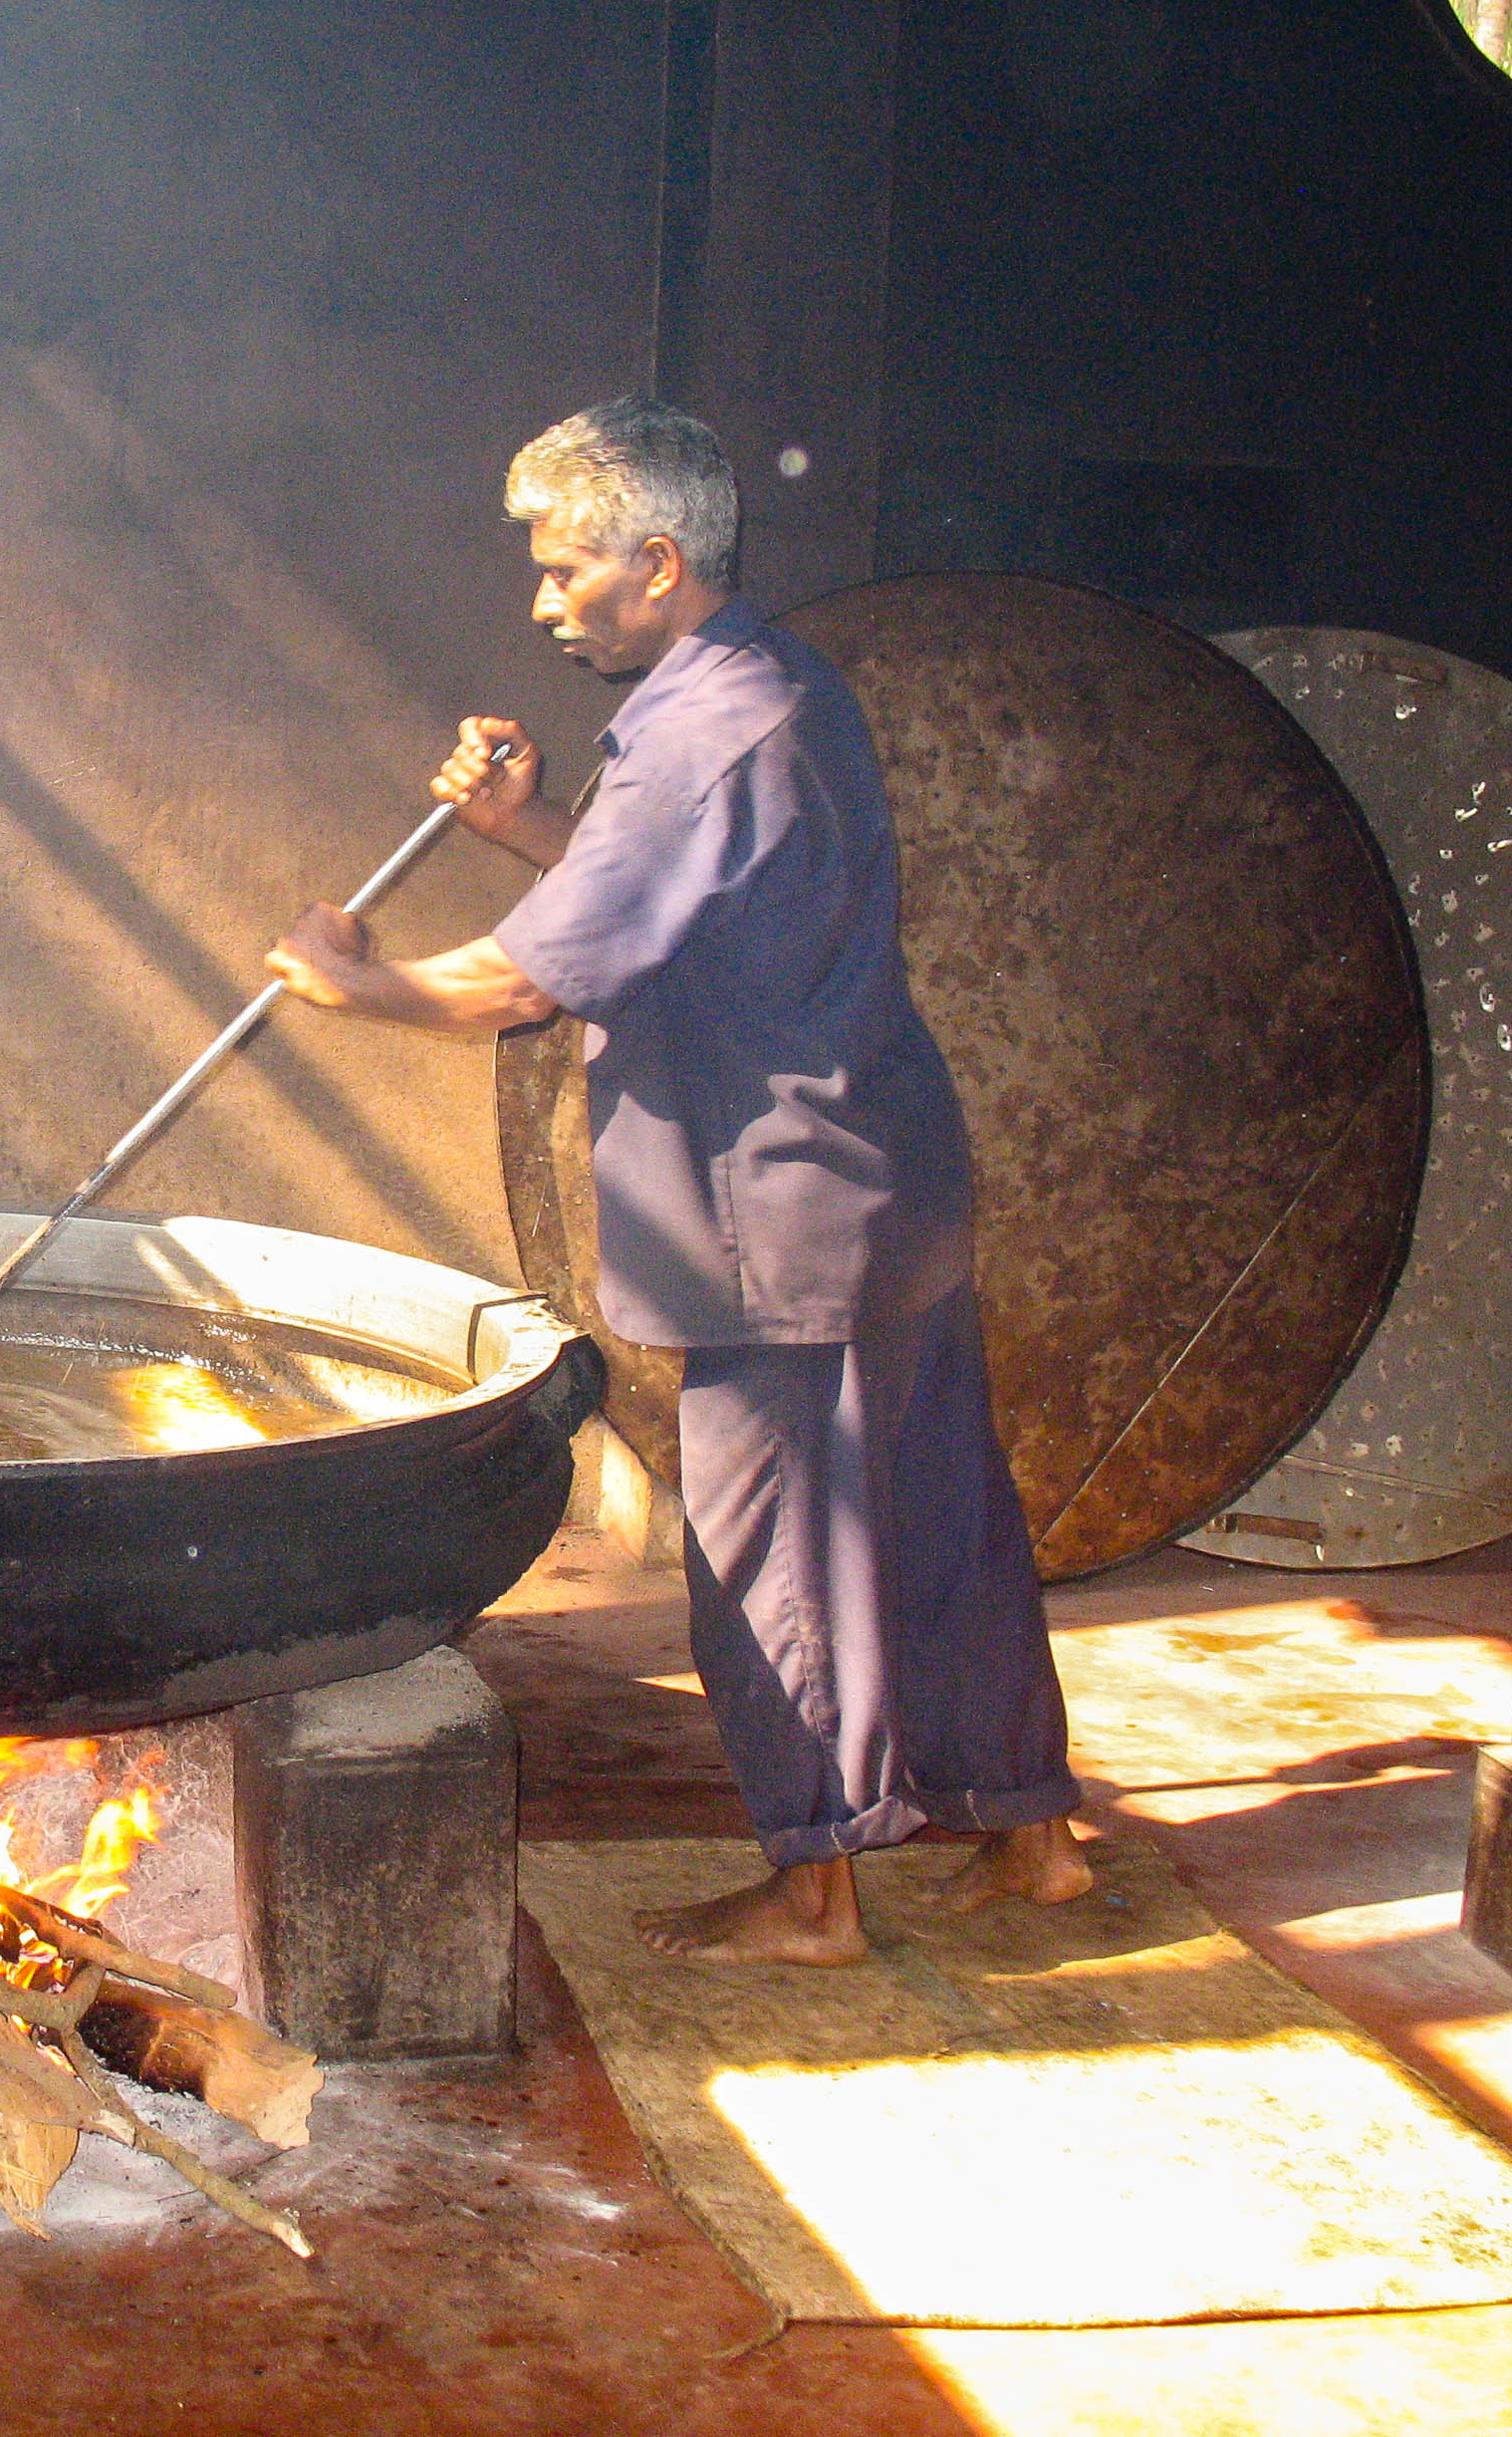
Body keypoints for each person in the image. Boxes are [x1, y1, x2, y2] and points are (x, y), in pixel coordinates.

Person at [265, 396, 1087, 1965]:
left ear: (655, 562)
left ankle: (815, 1892)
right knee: (938, 1518)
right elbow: (682, 899)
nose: (542, 601)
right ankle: (1030, 1834)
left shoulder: (694, 736)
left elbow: (527, 981)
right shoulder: (774, 684)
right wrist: (522, 826)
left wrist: (352, 981)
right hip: (886, 1182)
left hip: (776, 1214)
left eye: (564, 567)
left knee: (777, 1556)